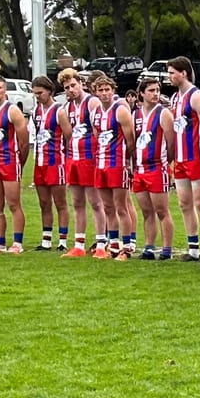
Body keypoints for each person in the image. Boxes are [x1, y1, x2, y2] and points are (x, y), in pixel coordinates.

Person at [165, 58, 200, 261]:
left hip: (197, 157)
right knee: (184, 203)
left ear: (184, 73)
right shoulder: (175, 97)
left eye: (173, 72)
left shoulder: (197, 96)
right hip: (181, 159)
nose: (169, 76)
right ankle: (193, 247)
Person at [91, 72, 135, 259]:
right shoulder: (95, 113)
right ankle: (114, 245)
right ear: (95, 93)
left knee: (121, 207)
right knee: (107, 207)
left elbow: (130, 138)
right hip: (101, 164)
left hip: (118, 164)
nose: (104, 93)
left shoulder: (120, 110)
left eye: (107, 89)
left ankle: (126, 246)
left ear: (113, 91)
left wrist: (127, 161)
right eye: (100, 90)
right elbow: (96, 136)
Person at [56, 68, 100, 258]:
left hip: (90, 157)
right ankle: (79, 245)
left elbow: (99, 131)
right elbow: (68, 137)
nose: (71, 90)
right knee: (77, 202)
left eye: (73, 85)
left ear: (81, 83)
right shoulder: (64, 109)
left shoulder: (92, 102)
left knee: (96, 202)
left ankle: (101, 243)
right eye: (67, 87)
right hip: (73, 158)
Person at [130, 76, 174, 259]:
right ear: (141, 93)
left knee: (162, 211)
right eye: (151, 91)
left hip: (157, 168)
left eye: (157, 90)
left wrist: (166, 163)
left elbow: (172, 144)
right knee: (147, 211)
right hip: (140, 169)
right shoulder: (135, 114)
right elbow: (133, 142)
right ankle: (149, 247)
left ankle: (166, 250)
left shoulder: (163, 113)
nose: (155, 94)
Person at [0, 76, 29, 254]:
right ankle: (0, 242)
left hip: (9, 162)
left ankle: (17, 243)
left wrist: (20, 161)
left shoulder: (12, 111)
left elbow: (24, 140)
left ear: (5, 90)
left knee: (13, 204)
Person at [29, 76, 68, 251]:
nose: (38, 96)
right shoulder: (35, 112)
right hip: (40, 162)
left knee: (60, 202)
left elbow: (69, 136)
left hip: (56, 162)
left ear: (50, 91)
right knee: (44, 202)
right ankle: (46, 240)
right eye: (35, 93)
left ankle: (63, 240)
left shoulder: (60, 110)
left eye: (40, 93)